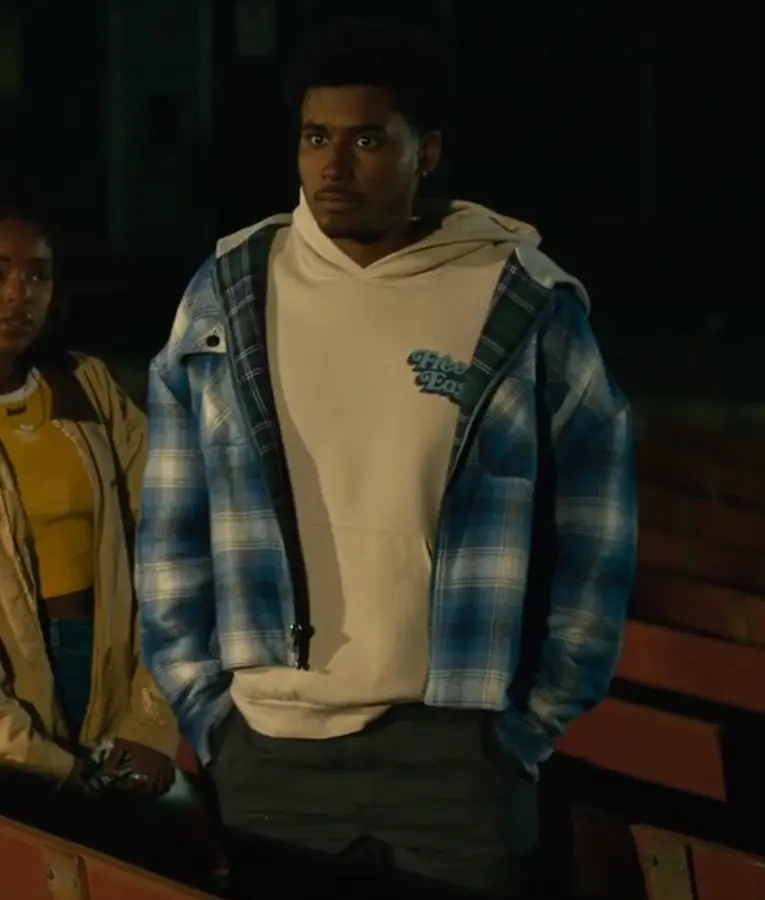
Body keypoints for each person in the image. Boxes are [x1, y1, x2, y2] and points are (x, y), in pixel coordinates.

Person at [136, 19, 637, 898]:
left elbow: (595, 529)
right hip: (271, 751)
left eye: (366, 140)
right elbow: (171, 521)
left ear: (424, 152)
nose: (332, 166)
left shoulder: (519, 297)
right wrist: (207, 709)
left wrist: (530, 723)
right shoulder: (229, 290)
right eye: (314, 138)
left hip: (457, 755)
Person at [0, 202, 195, 855]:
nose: (18, 295)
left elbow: (173, 542)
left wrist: (151, 720)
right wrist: (44, 765)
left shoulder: (83, 386)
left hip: (107, 664)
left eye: (37, 275)